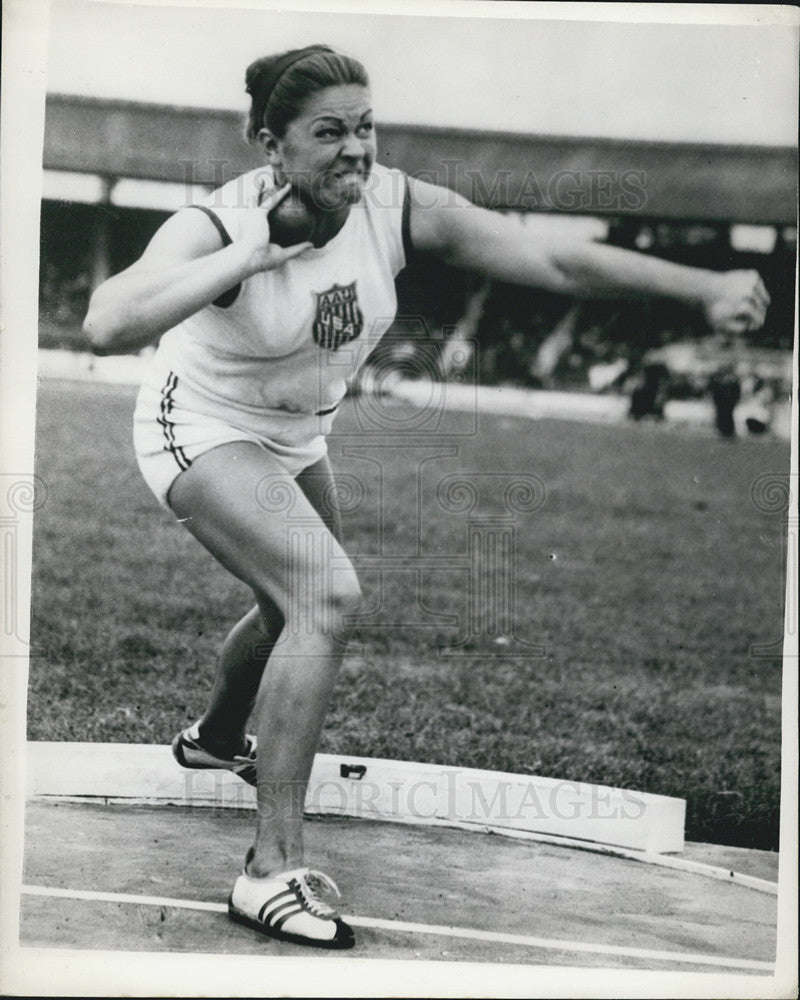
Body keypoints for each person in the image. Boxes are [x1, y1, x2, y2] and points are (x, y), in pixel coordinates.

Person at [83, 44, 770, 950]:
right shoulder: (215, 223)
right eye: (328, 133)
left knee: (285, 607)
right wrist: (245, 255)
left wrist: (703, 285)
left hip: (296, 433)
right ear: (271, 145)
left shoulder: (397, 205)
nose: (356, 150)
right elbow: (106, 322)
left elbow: (552, 262)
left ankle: (213, 741)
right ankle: (269, 870)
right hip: (198, 424)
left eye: (366, 127)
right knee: (324, 595)